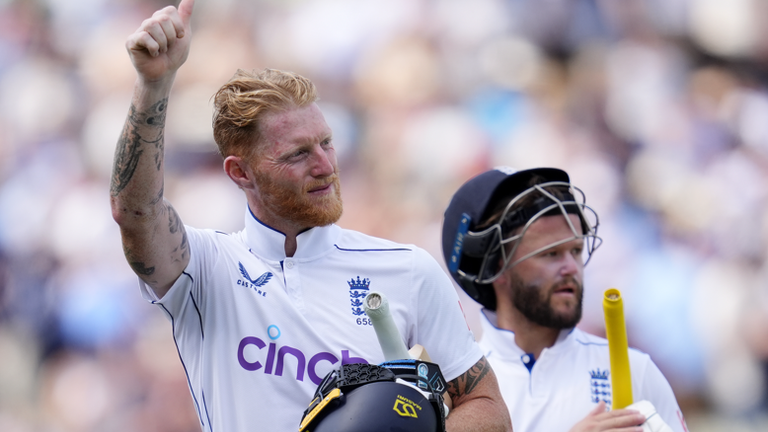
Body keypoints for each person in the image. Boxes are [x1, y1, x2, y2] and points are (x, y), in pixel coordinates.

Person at [109, 1, 512, 431]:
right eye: (299, 153)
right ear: (240, 172)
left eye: (326, 143)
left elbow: (486, 406)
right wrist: (154, 85)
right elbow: (135, 213)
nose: (325, 165)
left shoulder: (408, 269)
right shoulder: (206, 269)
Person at [441, 166, 690, 432]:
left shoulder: (637, 371)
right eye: (551, 254)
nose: (572, 267)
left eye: (576, 250)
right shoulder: (458, 393)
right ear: (495, 267)